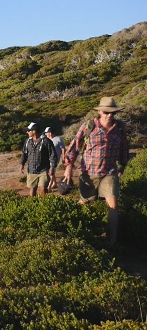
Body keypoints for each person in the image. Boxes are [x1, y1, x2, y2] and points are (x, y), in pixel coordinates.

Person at [63, 97, 130, 244]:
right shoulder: (88, 126)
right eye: (106, 112)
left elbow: (124, 146)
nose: (109, 115)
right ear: (99, 111)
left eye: (112, 112)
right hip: (88, 173)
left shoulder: (119, 128)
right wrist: (68, 167)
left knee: (113, 203)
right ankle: (73, 230)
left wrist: (123, 165)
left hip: (109, 172)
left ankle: (112, 241)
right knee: (85, 201)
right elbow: (74, 146)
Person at [20, 122, 56, 198]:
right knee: (32, 190)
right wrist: (22, 164)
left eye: (29, 130)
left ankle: (44, 205)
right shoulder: (28, 142)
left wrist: (52, 167)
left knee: (43, 189)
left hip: (44, 170)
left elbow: (52, 154)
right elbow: (24, 153)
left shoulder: (46, 141)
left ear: (34, 131)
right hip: (32, 170)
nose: (27, 132)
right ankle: (33, 206)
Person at [44, 127, 66, 191]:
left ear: (50, 133)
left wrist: (63, 157)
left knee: (51, 172)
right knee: (50, 171)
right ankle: (54, 183)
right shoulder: (46, 139)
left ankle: (49, 187)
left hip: (55, 158)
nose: (45, 134)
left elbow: (63, 148)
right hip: (48, 158)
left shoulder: (58, 139)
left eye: (46, 133)